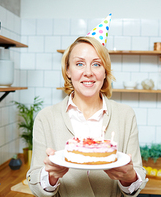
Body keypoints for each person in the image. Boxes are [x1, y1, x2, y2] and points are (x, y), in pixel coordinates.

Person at [27, 14, 147, 196]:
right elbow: (35, 183)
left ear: (105, 72)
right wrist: (50, 176)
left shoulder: (125, 115)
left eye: (97, 64)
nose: (88, 72)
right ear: (67, 70)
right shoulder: (46, 117)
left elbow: (135, 183)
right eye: (79, 63)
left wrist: (129, 177)